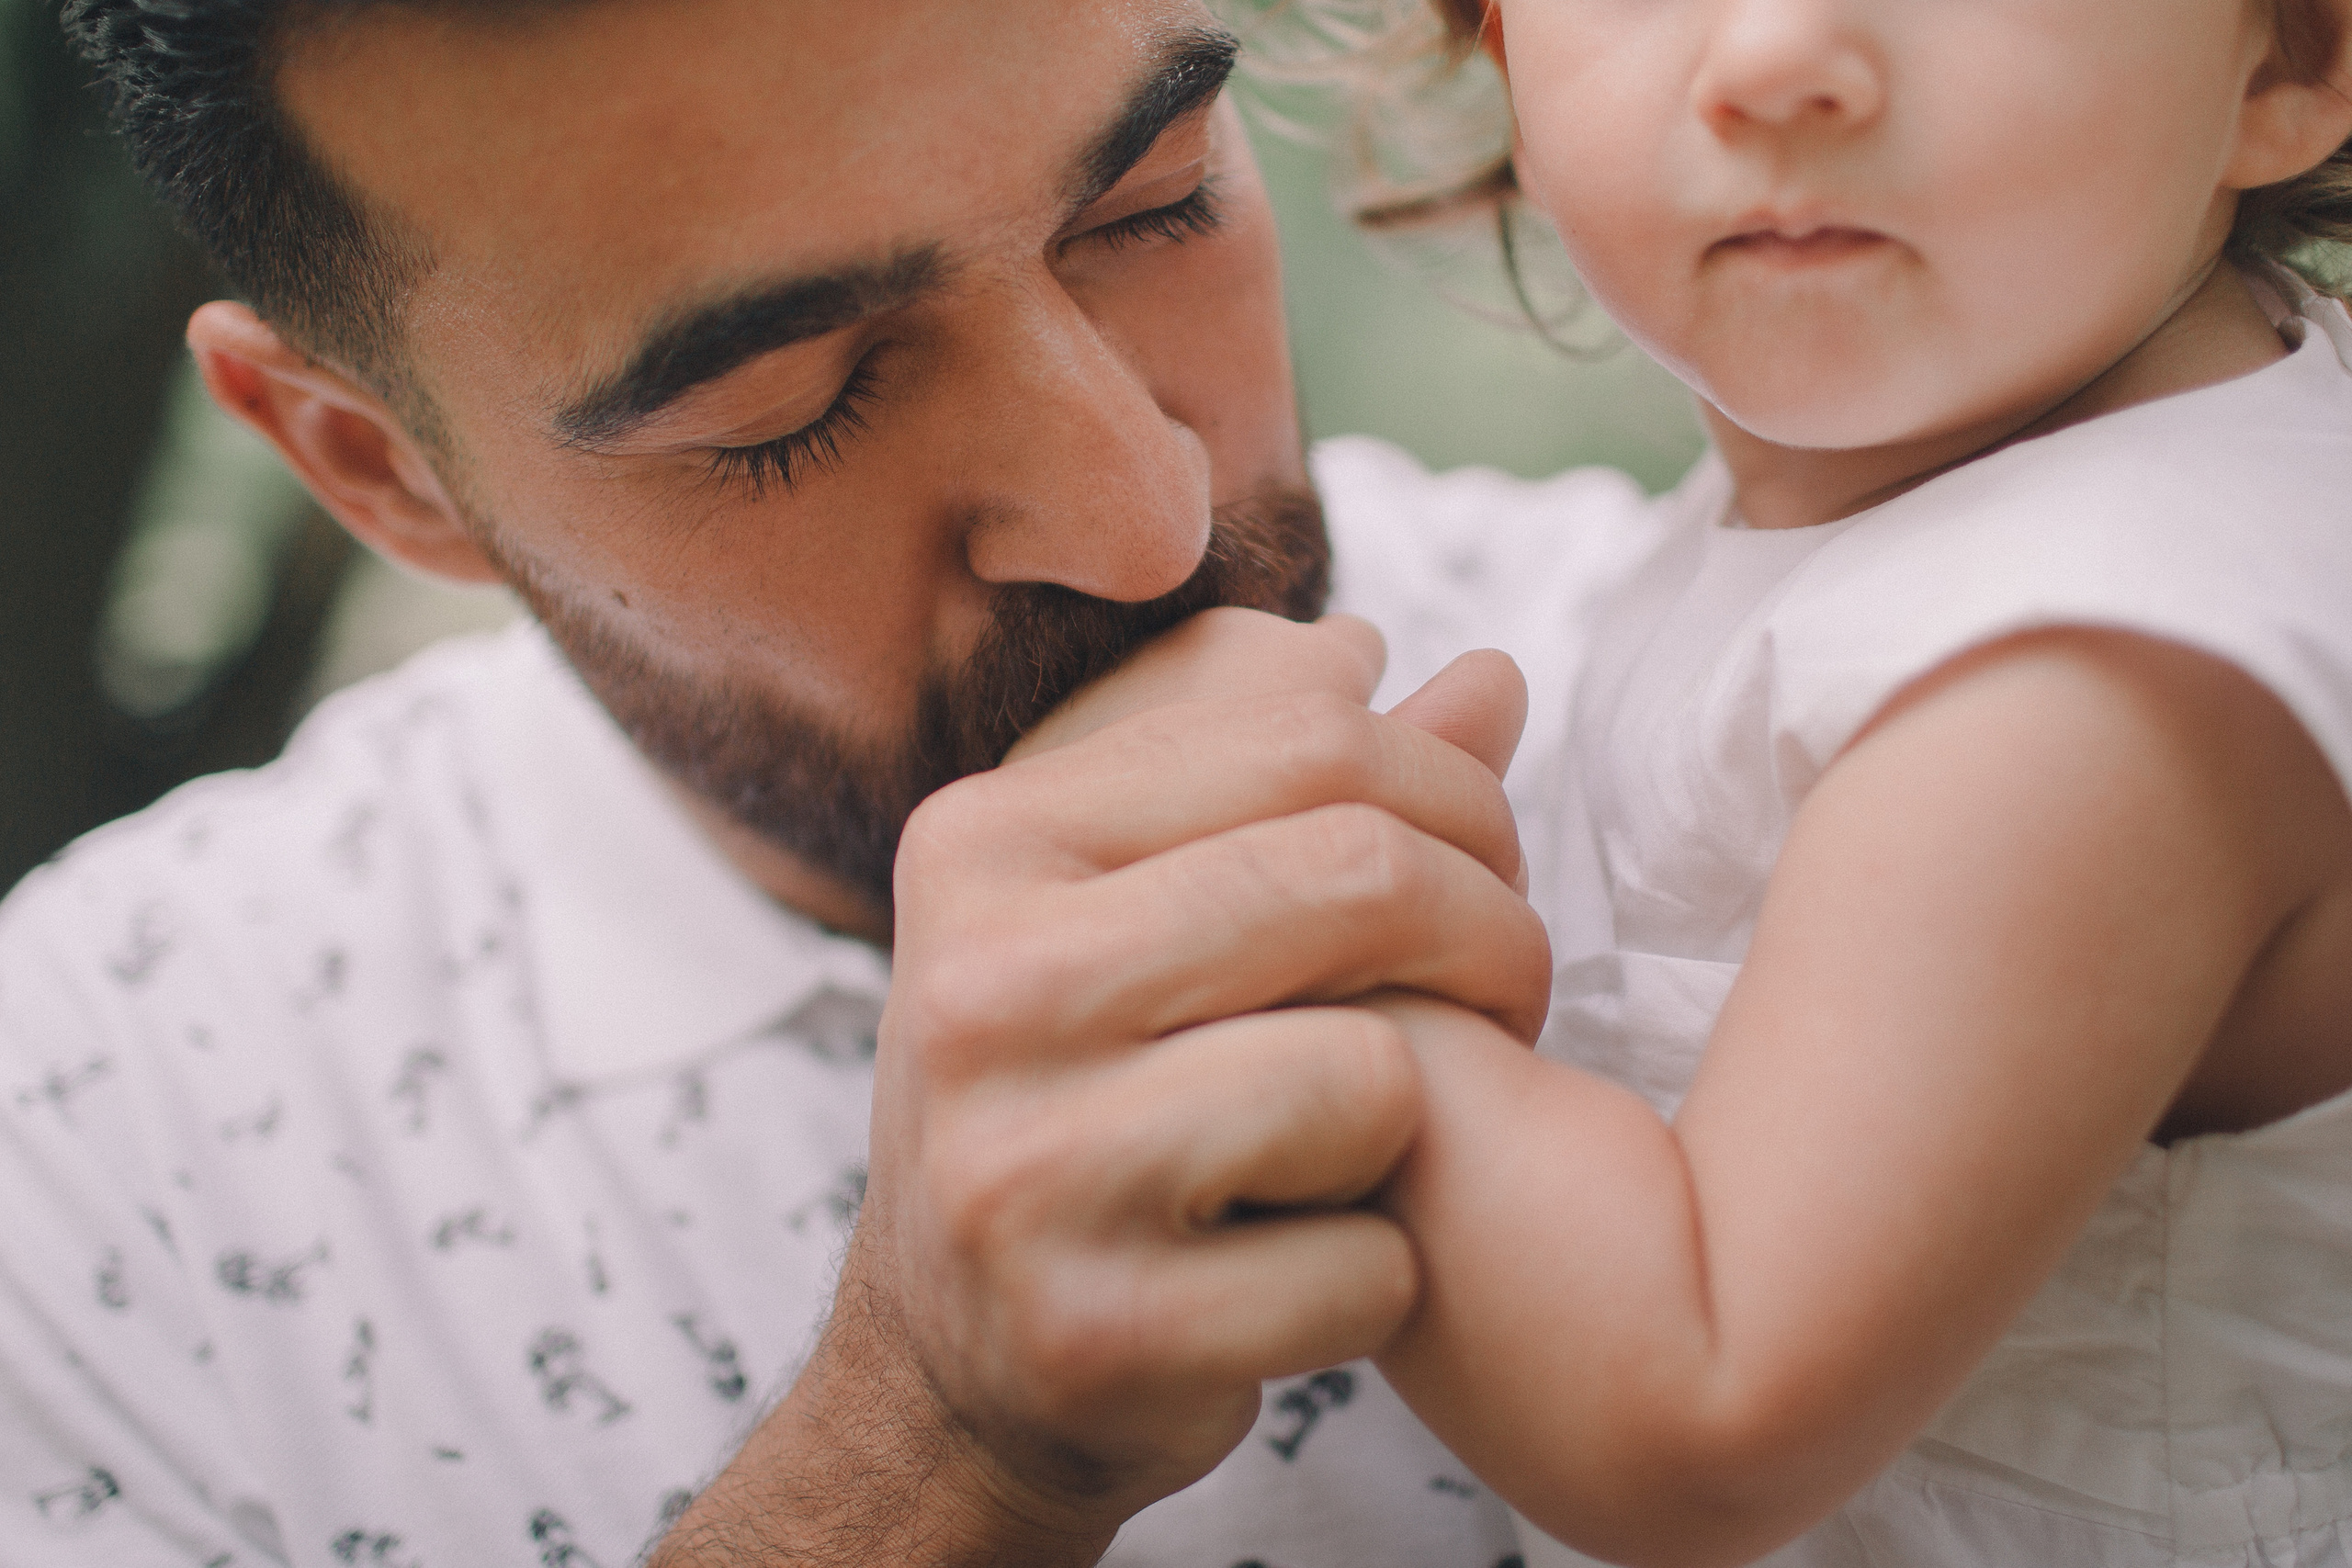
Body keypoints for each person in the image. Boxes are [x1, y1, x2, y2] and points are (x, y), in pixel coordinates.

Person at [2, 1, 1643, 1564]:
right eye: (792, 408)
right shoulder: (89, 1170)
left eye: (1155, 202)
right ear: (379, 466)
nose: (1147, 512)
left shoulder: (1780, 710)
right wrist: (928, 1465)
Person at [1224, 0, 2352, 1564]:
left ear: (2288, 65)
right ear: (1508, 71)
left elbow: (1693, 1413)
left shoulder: (2087, 676)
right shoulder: (1927, 481)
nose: (1769, 55)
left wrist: (1299, 904)